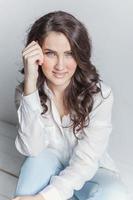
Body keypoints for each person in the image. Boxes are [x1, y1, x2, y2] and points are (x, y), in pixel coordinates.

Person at [12, 10, 128, 200]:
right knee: (37, 162)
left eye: (69, 54)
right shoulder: (26, 92)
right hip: (47, 166)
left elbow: (86, 163)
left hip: (91, 173)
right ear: (37, 55)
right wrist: (30, 82)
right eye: (50, 53)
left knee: (116, 195)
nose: (60, 65)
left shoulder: (101, 96)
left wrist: (44, 197)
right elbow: (30, 149)